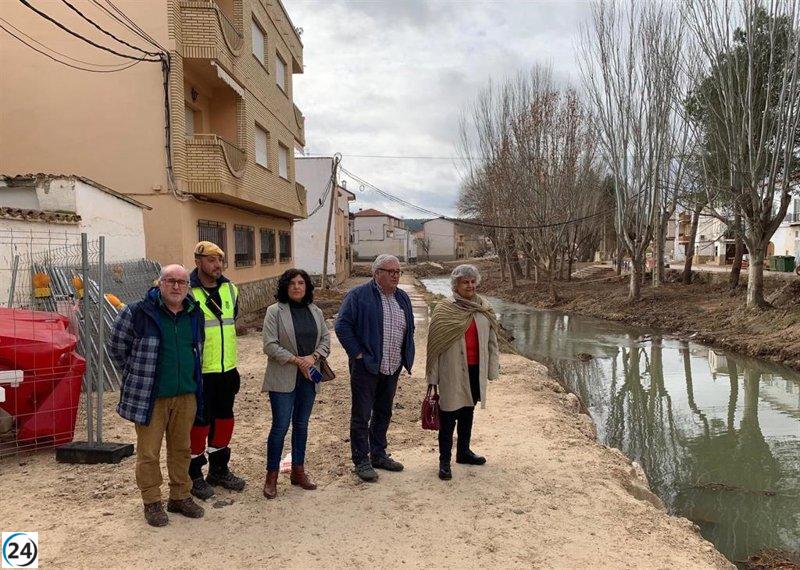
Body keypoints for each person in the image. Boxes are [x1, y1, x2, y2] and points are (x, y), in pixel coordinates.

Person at [107, 264, 206, 526]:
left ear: (188, 287)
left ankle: (180, 496)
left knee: (182, 449)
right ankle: (151, 501)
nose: (176, 286)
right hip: (151, 397)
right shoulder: (138, 312)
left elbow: (198, 348)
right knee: (149, 452)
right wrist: (137, 373)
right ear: (159, 283)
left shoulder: (194, 313)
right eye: (170, 281)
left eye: (182, 282)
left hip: (186, 394)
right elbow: (116, 347)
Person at [335, 254, 415, 482]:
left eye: (398, 272)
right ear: (376, 273)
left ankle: (378, 454)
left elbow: (409, 328)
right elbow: (342, 326)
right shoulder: (358, 296)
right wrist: (358, 354)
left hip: (392, 365)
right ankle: (361, 460)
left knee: (383, 412)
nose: (395, 276)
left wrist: (405, 354)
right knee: (362, 415)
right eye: (390, 271)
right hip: (366, 367)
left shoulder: (402, 297)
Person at [261, 269, 331, 499]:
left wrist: (314, 357)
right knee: (280, 427)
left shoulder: (316, 311)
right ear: (285, 286)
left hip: (309, 377)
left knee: (301, 425)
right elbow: (269, 345)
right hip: (283, 377)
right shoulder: (275, 311)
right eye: (292, 283)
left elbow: (326, 340)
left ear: (307, 286)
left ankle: (298, 471)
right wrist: (297, 361)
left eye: (301, 283)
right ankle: (271, 476)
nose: (297, 287)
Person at [426, 264, 499, 481]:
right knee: (448, 416)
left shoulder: (483, 308)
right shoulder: (444, 309)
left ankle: (464, 452)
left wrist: (492, 370)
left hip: (476, 370)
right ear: (455, 285)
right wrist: (433, 377)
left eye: (473, 281)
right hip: (451, 371)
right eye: (465, 282)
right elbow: (434, 347)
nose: (470, 285)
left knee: (468, 411)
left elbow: (492, 341)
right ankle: (444, 461)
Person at [187, 241, 245, 499]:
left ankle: (219, 470)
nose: (217, 265)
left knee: (224, 421)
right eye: (211, 260)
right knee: (199, 425)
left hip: (227, 370)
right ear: (198, 262)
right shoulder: (188, 292)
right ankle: (194, 475)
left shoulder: (230, 289)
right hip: (201, 372)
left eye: (220, 260)